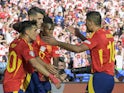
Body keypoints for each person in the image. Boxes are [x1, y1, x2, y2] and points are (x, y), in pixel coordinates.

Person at [42, 11, 115, 93]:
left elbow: (78, 49)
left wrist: (57, 43)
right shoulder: (108, 34)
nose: (85, 24)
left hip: (100, 77)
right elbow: (95, 45)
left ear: (90, 22)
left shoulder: (96, 36)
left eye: (86, 22)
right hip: (109, 78)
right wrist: (79, 35)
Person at [3, 20, 61, 93]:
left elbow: (36, 58)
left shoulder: (15, 42)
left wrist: (46, 66)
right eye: (35, 30)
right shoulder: (24, 45)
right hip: (16, 85)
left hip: (11, 83)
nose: (37, 33)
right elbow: (34, 63)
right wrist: (52, 77)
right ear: (27, 32)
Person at [27, 7, 60, 93]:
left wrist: (54, 72)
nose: (51, 32)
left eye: (52, 29)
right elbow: (34, 58)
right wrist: (45, 68)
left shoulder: (52, 41)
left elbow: (56, 57)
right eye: (49, 29)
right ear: (42, 28)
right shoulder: (34, 38)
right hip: (34, 74)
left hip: (46, 75)